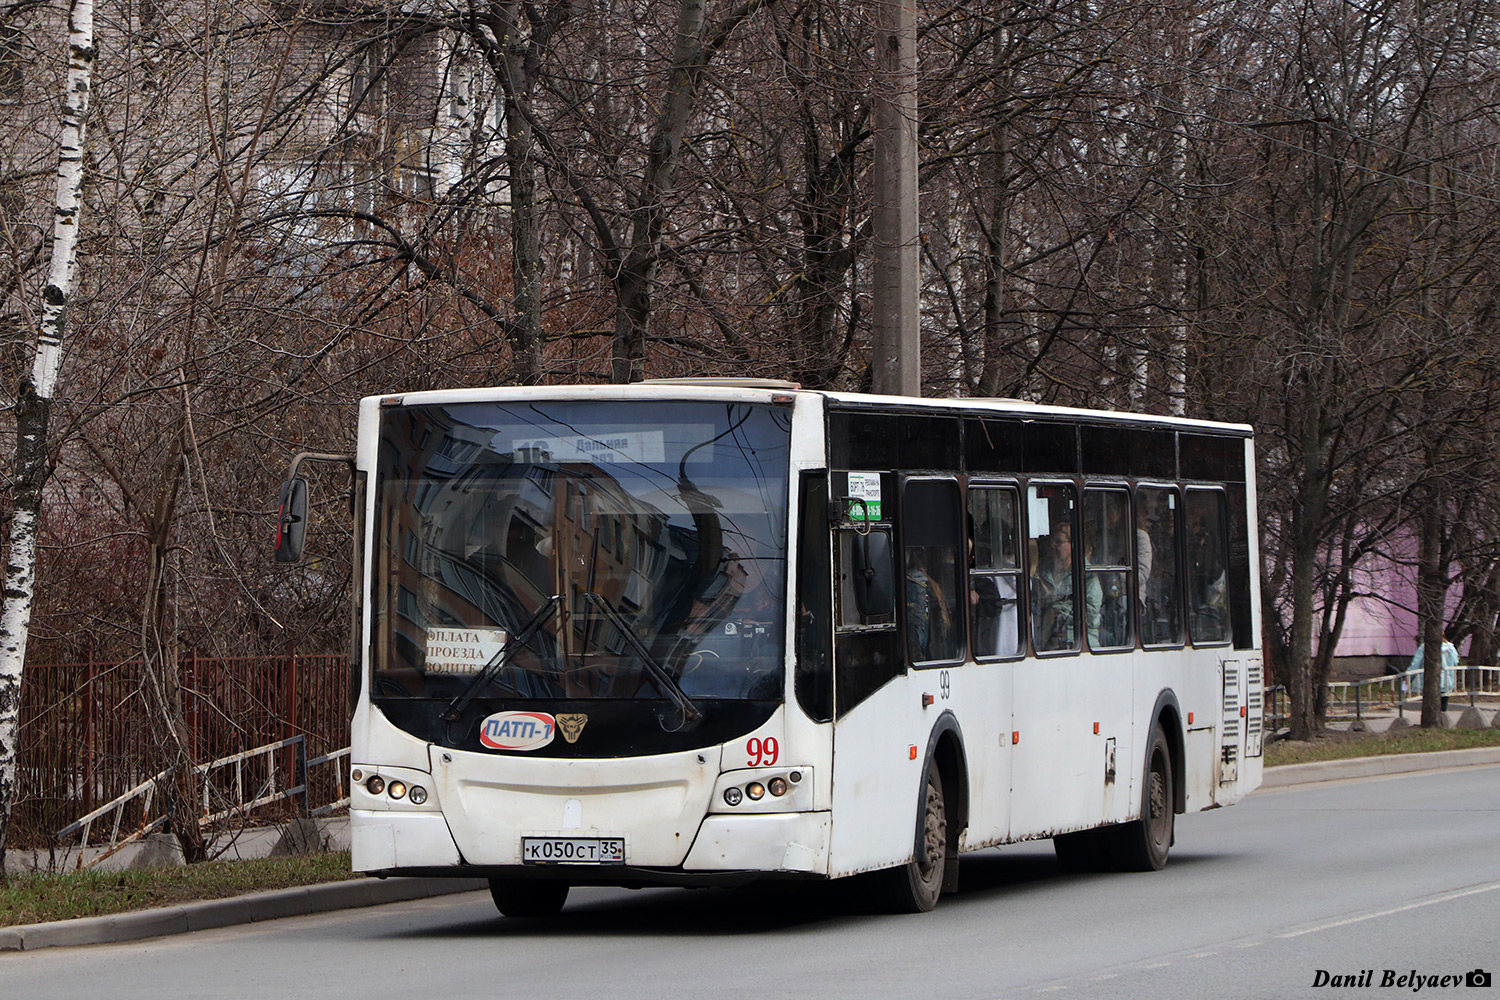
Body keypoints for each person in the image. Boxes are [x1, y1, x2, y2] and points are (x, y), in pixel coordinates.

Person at [1031, 521, 1075, 651]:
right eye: (1051, 541)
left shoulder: (1086, 576)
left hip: (1071, 641)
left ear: (1071, 545)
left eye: (1058, 542)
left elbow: (1090, 620)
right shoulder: (1042, 570)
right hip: (1042, 639)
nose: (1052, 546)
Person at [1408, 635, 1459, 711]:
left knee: (1430, 703)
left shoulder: (1425, 647)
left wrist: (1409, 676)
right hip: (1446, 679)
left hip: (1429, 680)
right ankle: (1442, 718)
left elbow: (1416, 663)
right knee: (1443, 702)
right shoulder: (1451, 648)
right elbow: (1455, 662)